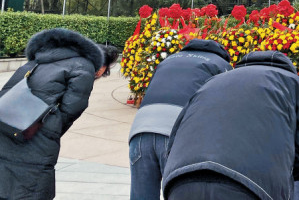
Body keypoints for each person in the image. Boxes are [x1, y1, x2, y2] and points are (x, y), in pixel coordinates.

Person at [162, 50, 299, 200]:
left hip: (181, 181)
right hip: (249, 187)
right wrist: (278, 171)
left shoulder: (211, 82)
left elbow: (173, 139)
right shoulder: (297, 84)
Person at [0, 27, 119, 200]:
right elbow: (72, 109)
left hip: (7, 128)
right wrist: (48, 129)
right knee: (32, 188)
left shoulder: (37, 60)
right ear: (101, 68)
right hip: (36, 137)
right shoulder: (84, 66)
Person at [128, 38, 232, 200]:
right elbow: (222, 108)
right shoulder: (221, 64)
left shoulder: (169, 59)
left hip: (140, 130)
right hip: (178, 135)